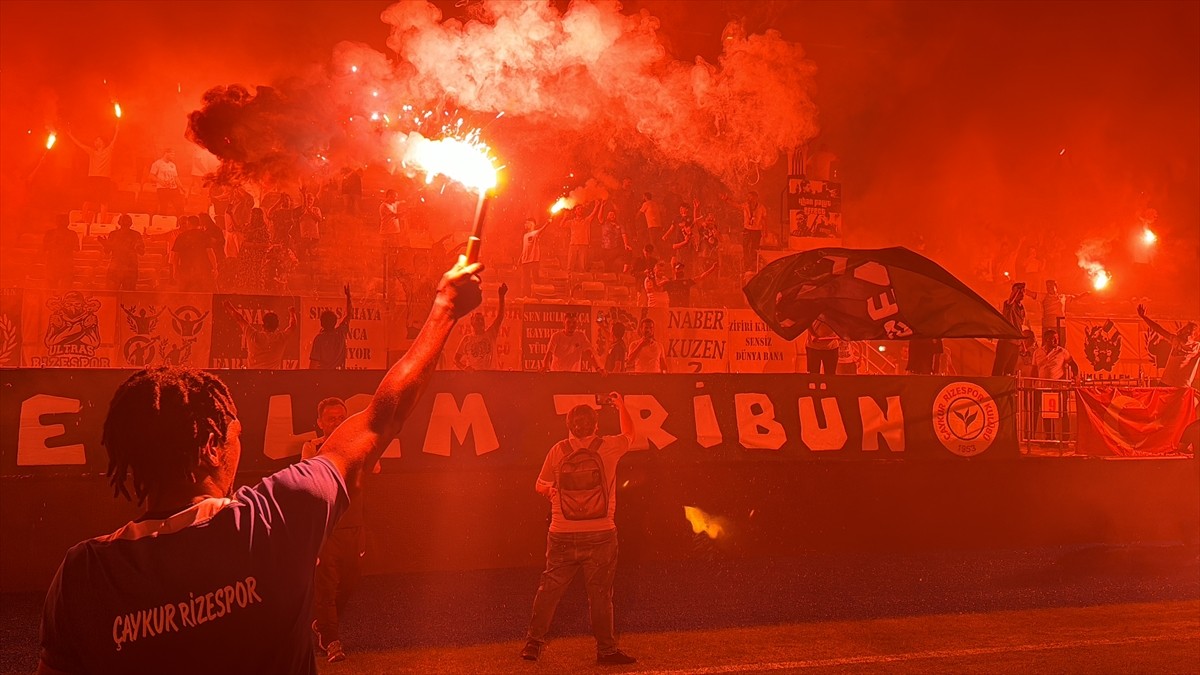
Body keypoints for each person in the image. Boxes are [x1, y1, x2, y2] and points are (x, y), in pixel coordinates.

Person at [36, 257, 482, 675]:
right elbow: (380, 418)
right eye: (235, 433)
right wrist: (444, 308)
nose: (239, 443)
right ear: (211, 448)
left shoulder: (83, 575)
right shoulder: (275, 519)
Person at [521, 396, 638, 665]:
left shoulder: (558, 450)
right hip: (601, 533)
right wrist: (621, 406)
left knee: (549, 590)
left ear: (569, 426)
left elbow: (539, 485)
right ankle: (606, 651)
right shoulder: (609, 446)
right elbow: (630, 434)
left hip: (562, 532)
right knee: (600, 595)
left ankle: (533, 643)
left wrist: (550, 492)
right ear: (596, 425)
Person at [300, 397, 365, 663]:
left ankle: (322, 624)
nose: (337, 423)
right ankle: (331, 641)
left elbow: (376, 467)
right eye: (331, 419)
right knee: (326, 585)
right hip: (327, 527)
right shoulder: (312, 447)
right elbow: (307, 478)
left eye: (341, 418)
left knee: (349, 582)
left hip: (353, 525)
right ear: (320, 423)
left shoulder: (358, 444)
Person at [67, 120, 119, 220]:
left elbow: (114, 140)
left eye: (98, 140)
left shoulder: (108, 150)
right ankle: (83, 219)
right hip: (92, 178)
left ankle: (102, 222)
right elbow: (80, 144)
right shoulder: (91, 152)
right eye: (95, 140)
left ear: (103, 142)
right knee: (87, 200)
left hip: (104, 179)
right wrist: (70, 135)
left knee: (104, 202)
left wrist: (117, 130)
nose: (96, 142)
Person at [1137, 304, 1199, 388]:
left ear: (1194, 335)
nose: (1187, 334)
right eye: (1186, 331)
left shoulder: (1197, 347)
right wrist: (1144, 317)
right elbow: (1159, 329)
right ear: (1182, 331)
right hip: (1166, 382)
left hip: (1182, 385)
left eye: (1190, 332)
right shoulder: (1176, 340)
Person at [223, 301, 298, 369]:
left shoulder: (253, 335)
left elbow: (239, 319)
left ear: (263, 325)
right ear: (276, 327)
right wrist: (292, 312)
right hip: (272, 377)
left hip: (252, 377)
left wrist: (228, 306)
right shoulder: (281, 338)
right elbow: (293, 326)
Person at [454, 283, 508, 370]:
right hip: (475, 376)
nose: (480, 322)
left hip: (491, 375)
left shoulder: (491, 334)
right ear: (472, 323)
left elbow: (500, 317)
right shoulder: (467, 339)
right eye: (477, 320)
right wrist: (464, 368)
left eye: (482, 320)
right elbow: (456, 359)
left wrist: (501, 297)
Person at [309, 285, 353, 370]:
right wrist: (348, 297)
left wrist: (310, 377)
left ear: (321, 323)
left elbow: (313, 364)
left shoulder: (319, 339)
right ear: (335, 322)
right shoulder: (340, 333)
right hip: (339, 374)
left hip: (323, 375)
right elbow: (349, 314)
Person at [172, 215, 218, 293]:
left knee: (185, 294)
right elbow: (210, 252)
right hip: (203, 270)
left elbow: (175, 256)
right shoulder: (204, 235)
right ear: (198, 224)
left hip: (186, 270)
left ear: (188, 223)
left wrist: (175, 270)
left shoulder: (181, 236)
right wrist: (215, 268)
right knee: (204, 294)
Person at [991, 282, 1028, 376]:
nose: (1021, 293)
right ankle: (995, 384)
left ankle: (1007, 385)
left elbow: (1019, 327)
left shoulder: (1022, 308)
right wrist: (1016, 290)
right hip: (1006, 342)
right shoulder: (1009, 305)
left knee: (1010, 371)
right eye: (1018, 291)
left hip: (1016, 344)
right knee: (999, 368)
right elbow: (1010, 300)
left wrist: (1023, 345)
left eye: (1023, 291)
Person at [100, 214, 145, 291]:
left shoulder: (136, 235)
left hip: (129, 269)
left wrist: (137, 247)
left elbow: (141, 252)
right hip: (116, 268)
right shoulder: (113, 234)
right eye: (123, 222)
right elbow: (107, 251)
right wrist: (105, 244)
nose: (125, 224)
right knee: (112, 293)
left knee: (127, 294)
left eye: (126, 222)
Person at [518, 217, 554, 297]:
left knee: (535, 278)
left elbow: (542, 230)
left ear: (531, 224)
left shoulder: (535, 233)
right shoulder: (525, 235)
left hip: (533, 260)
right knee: (525, 280)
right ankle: (526, 295)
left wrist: (547, 223)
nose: (525, 225)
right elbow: (524, 248)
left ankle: (537, 295)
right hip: (525, 261)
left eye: (526, 223)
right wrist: (520, 258)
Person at [43, 215, 79, 289]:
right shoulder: (50, 233)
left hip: (66, 265)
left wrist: (66, 245)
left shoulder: (72, 234)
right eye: (60, 221)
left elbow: (77, 248)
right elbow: (44, 248)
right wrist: (54, 242)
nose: (62, 223)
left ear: (68, 222)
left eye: (64, 221)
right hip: (52, 264)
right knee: (51, 289)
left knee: (65, 289)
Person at [740, 190, 768, 272]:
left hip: (756, 230)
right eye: (748, 197)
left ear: (756, 198)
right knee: (745, 247)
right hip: (747, 230)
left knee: (754, 248)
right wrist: (727, 200)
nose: (749, 199)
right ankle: (746, 266)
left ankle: (753, 266)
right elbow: (736, 205)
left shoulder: (761, 207)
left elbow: (765, 220)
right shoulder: (745, 205)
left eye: (751, 197)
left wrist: (765, 231)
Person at [568, 202, 600, 273]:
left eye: (581, 209)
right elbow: (561, 225)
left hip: (583, 244)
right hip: (573, 244)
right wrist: (565, 216)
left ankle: (582, 278)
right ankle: (569, 278)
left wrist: (596, 206)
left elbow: (593, 214)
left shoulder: (586, 221)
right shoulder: (571, 222)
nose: (580, 210)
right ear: (575, 212)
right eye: (578, 209)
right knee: (570, 264)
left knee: (582, 265)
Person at [149, 149, 182, 215]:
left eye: (174, 155)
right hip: (162, 189)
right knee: (163, 207)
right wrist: (161, 182)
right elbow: (151, 176)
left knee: (179, 206)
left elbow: (176, 177)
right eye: (172, 154)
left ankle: (180, 220)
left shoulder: (173, 165)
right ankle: (162, 220)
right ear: (166, 153)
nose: (173, 156)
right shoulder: (157, 163)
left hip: (173, 188)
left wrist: (181, 187)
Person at [297, 192, 323, 262]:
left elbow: (319, 219)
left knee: (313, 256)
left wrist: (310, 211)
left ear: (313, 201)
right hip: (303, 236)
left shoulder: (316, 209)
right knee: (302, 256)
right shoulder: (300, 210)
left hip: (314, 237)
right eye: (307, 199)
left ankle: (313, 267)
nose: (309, 201)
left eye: (311, 199)